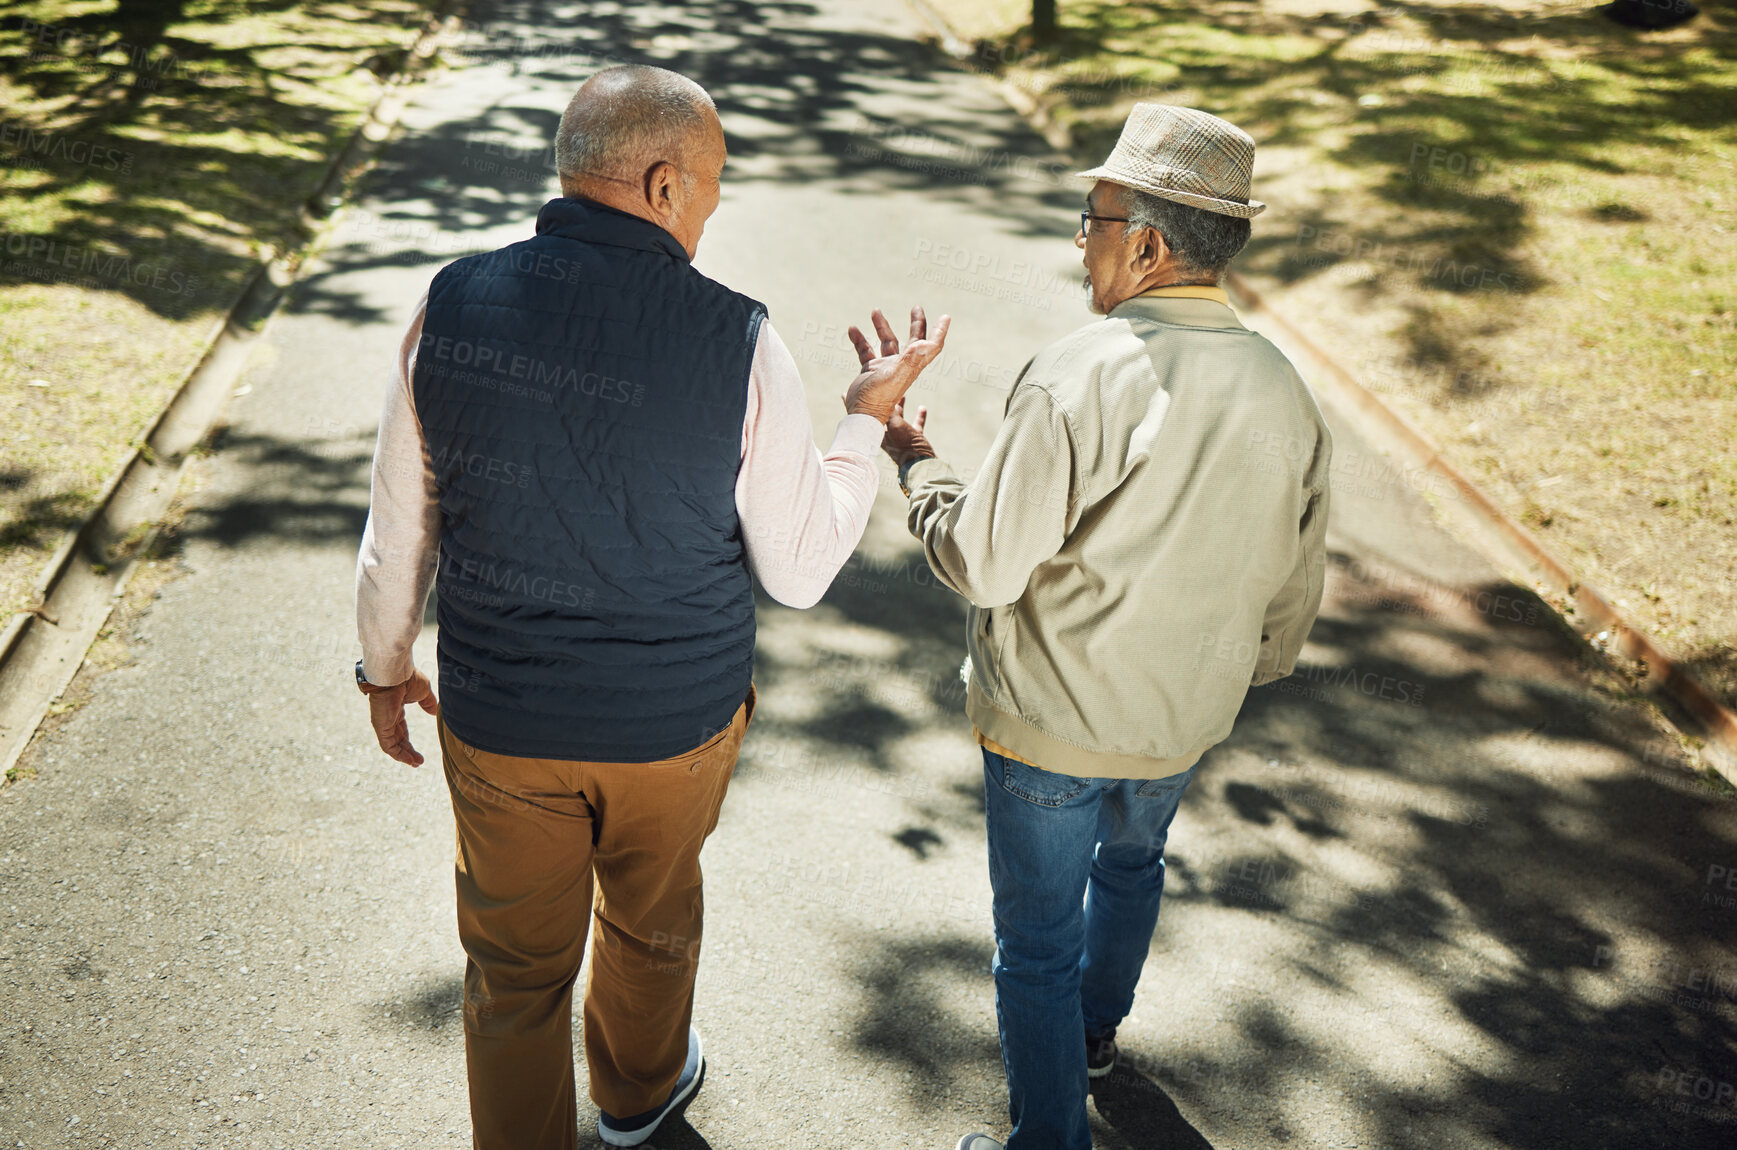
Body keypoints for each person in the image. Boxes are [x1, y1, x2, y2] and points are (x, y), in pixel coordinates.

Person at [353, 64, 948, 1150]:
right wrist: (864, 425)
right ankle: (634, 1097)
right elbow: (801, 566)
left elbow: (403, 526)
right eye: (712, 188)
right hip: (673, 725)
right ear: (663, 183)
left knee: (513, 974)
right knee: (649, 922)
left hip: (504, 726)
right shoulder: (742, 338)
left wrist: (385, 666)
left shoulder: (450, 302)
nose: (714, 212)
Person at [878, 103, 1332, 1150]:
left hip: (1051, 720)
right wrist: (1244, 673)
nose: (1077, 241)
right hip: (1181, 719)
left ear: (1150, 243)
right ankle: (1092, 1040)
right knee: (1133, 868)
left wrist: (918, 466)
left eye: (1092, 218)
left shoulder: (1085, 369)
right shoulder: (1285, 389)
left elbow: (982, 561)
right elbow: (1290, 594)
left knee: (1034, 943)